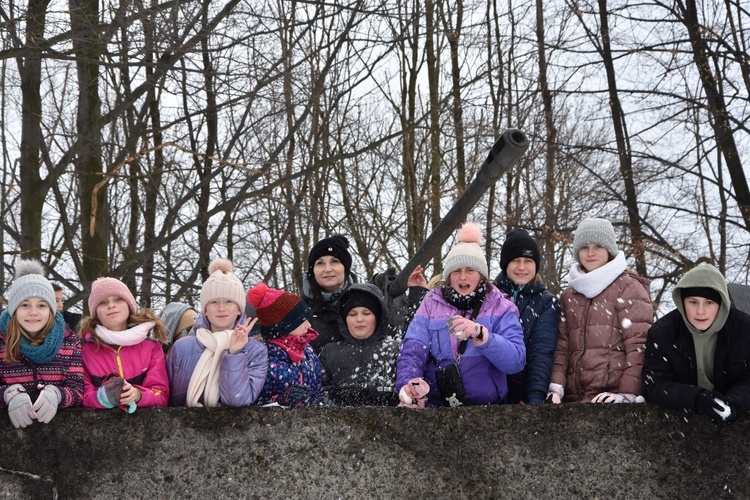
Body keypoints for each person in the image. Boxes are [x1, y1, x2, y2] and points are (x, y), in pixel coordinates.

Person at [396, 222, 526, 407]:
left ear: (481, 275)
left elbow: (516, 361)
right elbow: (413, 349)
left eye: (470, 270)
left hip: (488, 411)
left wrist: (484, 337)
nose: (463, 277)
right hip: (436, 407)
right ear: (448, 276)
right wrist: (408, 385)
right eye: (456, 271)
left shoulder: (502, 306)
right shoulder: (431, 303)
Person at [548, 218, 652, 404]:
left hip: (612, 397)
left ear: (609, 250)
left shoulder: (629, 288)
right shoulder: (569, 295)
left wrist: (627, 394)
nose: (590, 253)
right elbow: (563, 347)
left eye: (598, 246)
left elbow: (639, 345)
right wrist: (557, 387)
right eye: (584, 247)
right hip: (575, 399)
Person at [643, 263, 750, 425]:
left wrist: (735, 402)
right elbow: (655, 384)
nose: (701, 311)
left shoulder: (744, 329)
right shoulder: (662, 333)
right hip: (679, 425)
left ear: (721, 304)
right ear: (682, 302)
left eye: (709, 302)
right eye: (693, 302)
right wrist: (696, 398)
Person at [167, 259, 267, 407]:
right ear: (205, 310)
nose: (221, 308)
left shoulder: (255, 350)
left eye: (229, 302)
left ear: (239, 309)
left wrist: (234, 354)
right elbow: (166, 399)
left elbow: (237, 401)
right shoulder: (181, 347)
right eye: (214, 302)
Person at [0, 260, 83, 428]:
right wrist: (9, 394)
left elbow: (78, 391)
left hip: (60, 439)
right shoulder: (2, 342)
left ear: (51, 310)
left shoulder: (70, 342)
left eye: (42, 305)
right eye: (25, 305)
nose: (33, 312)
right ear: (14, 310)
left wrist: (57, 394)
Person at [80, 277, 169, 412]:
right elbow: (81, 396)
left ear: (129, 305)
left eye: (118, 299)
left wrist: (138, 395)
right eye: (103, 303)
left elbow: (161, 394)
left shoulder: (151, 348)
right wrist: (101, 397)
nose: (111, 305)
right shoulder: (83, 349)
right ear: (95, 313)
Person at [494, 228, 558, 404]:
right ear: (505, 264)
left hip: (524, 392)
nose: (522, 267)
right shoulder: (490, 296)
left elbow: (541, 353)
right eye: (515, 260)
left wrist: (535, 398)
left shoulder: (546, 302)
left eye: (528, 261)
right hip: (491, 391)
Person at [247, 283, 328, 407]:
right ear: (284, 325)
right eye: (302, 321)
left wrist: (320, 400)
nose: (309, 325)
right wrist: (281, 400)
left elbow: (318, 387)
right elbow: (254, 400)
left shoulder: (308, 352)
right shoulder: (264, 356)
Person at [319, 283, 400, 406]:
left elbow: (407, 390)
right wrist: (335, 394)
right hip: (340, 422)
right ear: (344, 319)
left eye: (366, 313)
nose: (359, 319)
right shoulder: (330, 351)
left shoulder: (395, 349)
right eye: (352, 314)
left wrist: (384, 393)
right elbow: (318, 392)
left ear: (378, 317)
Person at [301, 235, 356, 353]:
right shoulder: (299, 312)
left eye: (335, 261)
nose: (327, 269)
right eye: (320, 263)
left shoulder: (365, 302)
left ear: (345, 268)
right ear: (312, 271)